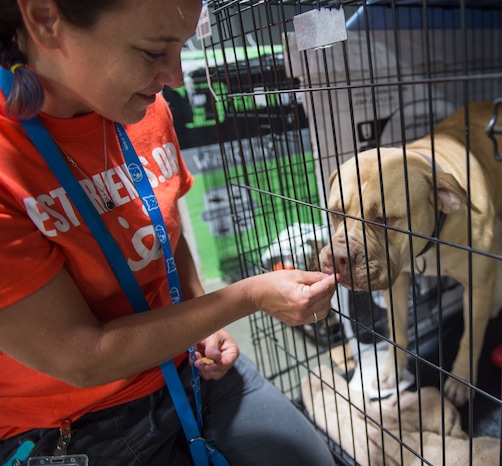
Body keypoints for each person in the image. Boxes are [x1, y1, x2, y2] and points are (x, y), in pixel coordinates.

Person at [0, 0, 339, 465]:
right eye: (153, 51)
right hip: (80, 420)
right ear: (44, 20)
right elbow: (83, 357)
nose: (176, 78)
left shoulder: (145, 108)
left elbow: (164, 232)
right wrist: (246, 298)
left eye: (182, 48)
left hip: (183, 367)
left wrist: (206, 320)